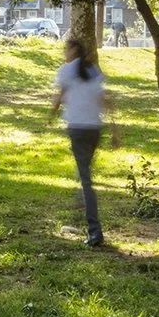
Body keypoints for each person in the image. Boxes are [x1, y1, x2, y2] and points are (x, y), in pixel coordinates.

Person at [50, 39, 112, 247]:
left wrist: (50, 115)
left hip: (77, 128)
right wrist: (115, 131)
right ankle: (81, 200)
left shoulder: (66, 71)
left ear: (73, 51)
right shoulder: (93, 70)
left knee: (86, 180)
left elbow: (60, 96)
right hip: (94, 129)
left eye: (66, 49)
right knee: (84, 171)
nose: (64, 53)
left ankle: (95, 231)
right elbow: (105, 98)